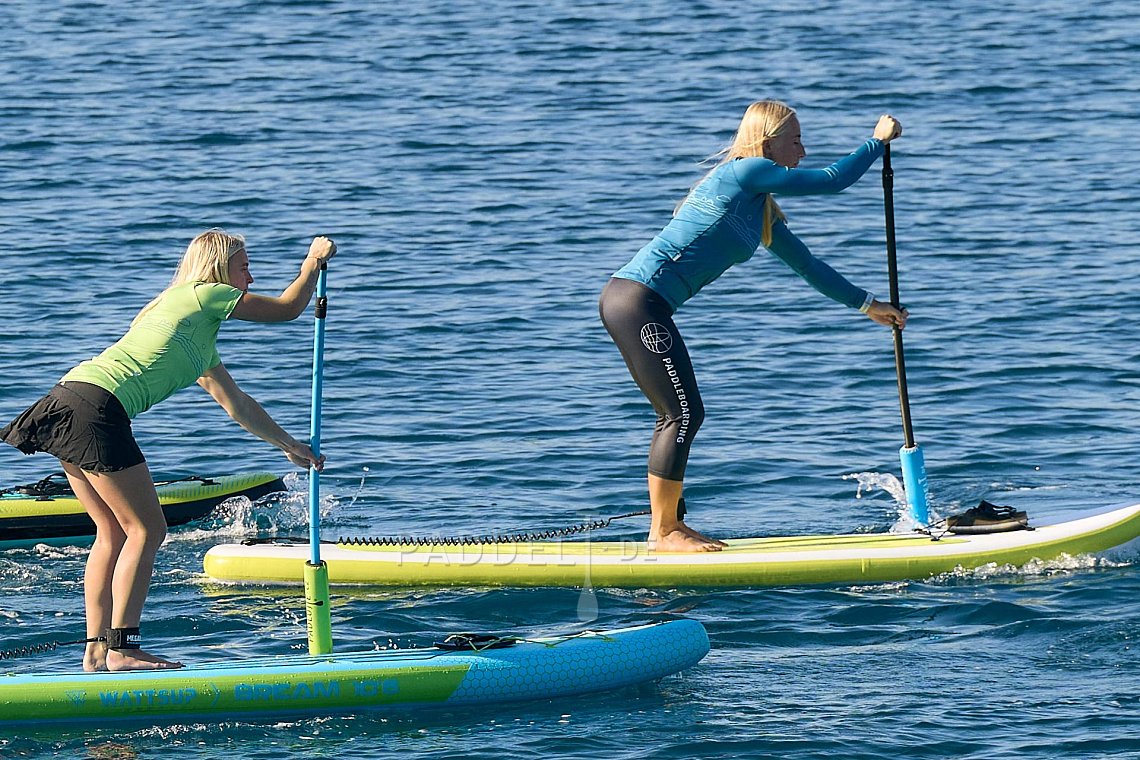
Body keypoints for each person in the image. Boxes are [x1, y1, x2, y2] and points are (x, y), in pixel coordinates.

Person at [0, 230, 336, 670]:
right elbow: (289, 308)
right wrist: (313, 260)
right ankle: (123, 648)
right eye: (244, 267)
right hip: (98, 409)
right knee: (147, 530)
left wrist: (289, 445)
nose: (251, 278)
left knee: (112, 531)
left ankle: (97, 649)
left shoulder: (192, 332)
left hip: (68, 400)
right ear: (218, 269)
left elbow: (238, 406)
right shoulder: (203, 294)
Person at [598, 100, 907, 553]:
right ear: (768, 140)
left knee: (681, 413)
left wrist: (868, 305)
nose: (802, 150)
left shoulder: (759, 211)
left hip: (644, 305)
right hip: (636, 300)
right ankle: (664, 532)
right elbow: (832, 180)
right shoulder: (744, 173)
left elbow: (808, 266)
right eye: (796, 140)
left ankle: (670, 526)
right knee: (680, 414)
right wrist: (876, 142)